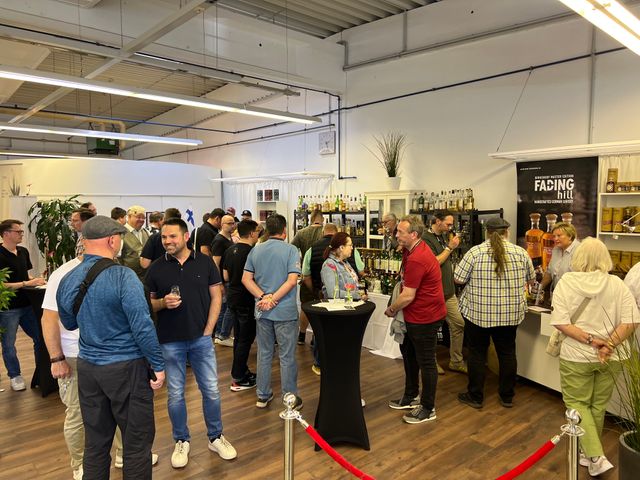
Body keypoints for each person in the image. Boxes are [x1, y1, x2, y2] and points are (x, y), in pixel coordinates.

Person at [57, 216, 165, 480]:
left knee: (95, 443)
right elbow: (142, 326)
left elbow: (69, 322)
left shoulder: (68, 277)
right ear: (112, 240)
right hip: (126, 369)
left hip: (88, 368)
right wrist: (158, 365)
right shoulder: (124, 276)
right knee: (136, 444)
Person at [146, 218, 236, 469]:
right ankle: (181, 440)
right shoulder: (156, 268)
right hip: (169, 341)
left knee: (212, 390)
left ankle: (215, 437)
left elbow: (217, 296)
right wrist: (162, 303)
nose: (167, 241)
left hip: (201, 339)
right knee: (175, 394)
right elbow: (147, 304)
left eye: (172, 236)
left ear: (185, 237)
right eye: (164, 237)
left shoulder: (204, 262)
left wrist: (209, 330)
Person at [550, 238, 638, 477]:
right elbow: (631, 320)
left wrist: (591, 341)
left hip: (576, 356)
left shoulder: (568, 281)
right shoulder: (617, 283)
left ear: (579, 258)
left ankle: (596, 457)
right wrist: (608, 345)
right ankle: (587, 453)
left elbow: (560, 322)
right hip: (613, 357)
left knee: (578, 404)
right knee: (597, 406)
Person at [454, 217, 534, 410]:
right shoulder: (521, 253)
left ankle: (475, 396)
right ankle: (507, 396)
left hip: (478, 313)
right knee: (507, 353)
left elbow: (458, 279)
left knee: (477, 354)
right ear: (507, 232)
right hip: (510, 313)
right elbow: (531, 279)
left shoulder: (475, 252)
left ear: (487, 232)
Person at [384, 215, 446, 424]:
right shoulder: (410, 250)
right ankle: (411, 396)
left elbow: (408, 295)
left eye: (400, 232)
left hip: (425, 317)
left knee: (426, 362)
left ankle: (428, 408)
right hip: (415, 315)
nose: (396, 235)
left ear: (414, 234)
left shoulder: (418, 257)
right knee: (409, 354)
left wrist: (392, 309)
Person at [242, 214, 302, 410]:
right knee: (287, 356)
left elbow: (246, 279)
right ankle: (289, 399)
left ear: (267, 230)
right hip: (284, 311)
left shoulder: (256, 250)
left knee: (265, 353)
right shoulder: (291, 250)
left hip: (262, 310)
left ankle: (263, 395)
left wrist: (263, 297)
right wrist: (273, 299)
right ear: (284, 231)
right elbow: (291, 281)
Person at [0, 219, 47, 391]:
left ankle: (41, 371)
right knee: (8, 344)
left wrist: (37, 281)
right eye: (18, 231)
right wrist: (26, 284)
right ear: (6, 234)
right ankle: (15, 375)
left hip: (28, 305)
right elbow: (1, 285)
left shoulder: (23, 251)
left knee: (40, 337)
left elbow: (25, 276)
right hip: (8, 309)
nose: (21, 234)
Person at [423, 212, 466, 374]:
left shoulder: (442, 236)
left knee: (458, 324)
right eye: (448, 224)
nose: (450, 227)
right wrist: (450, 247)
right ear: (437, 221)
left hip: (448, 292)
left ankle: (456, 361)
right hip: (434, 293)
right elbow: (434, 262)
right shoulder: (426, 239)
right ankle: (431, 362)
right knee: (433, 329)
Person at [223, 219, 260, 391]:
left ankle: (241, 371)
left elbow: (225, 276)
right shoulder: (253, 253)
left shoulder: (230, 250)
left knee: (239, 338)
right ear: (252, 233)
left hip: (233, 297)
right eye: (257, 232)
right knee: (245, 339)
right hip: (246, 299)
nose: (258, 234)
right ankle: (238, 377)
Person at [292, 210, 325, 345]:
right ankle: (315, 336)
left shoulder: (301, 233)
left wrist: (298, 264)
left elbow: (292, 249)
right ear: (322, 219)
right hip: (322, 275)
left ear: (311, 219)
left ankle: (301, 335)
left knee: (305, 307)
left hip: (306, 274)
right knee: (321, 306)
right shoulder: (325, 232)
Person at [212, 215, 237, 346]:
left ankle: (219, 333)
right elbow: (216, 263)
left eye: (233, 223)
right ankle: (223, 335)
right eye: (229, 223)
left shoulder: (229, 238)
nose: (232, 225)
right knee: (229, 308)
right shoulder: (219, 240)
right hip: (224, 279)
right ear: (222, 224)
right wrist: (219, 282)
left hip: (228, 278)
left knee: (224, 307)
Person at [320, 232, 364, 301]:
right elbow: (333, 293)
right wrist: (356, 295)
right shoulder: (329, 265)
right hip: (339, 306)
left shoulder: (345, 262)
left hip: (351, 303)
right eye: (350, 245)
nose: (352, 248)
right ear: (341, 247)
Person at [538, 222, 580, 295]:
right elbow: (549, 272)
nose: (555, 239)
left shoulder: (580, 250)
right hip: (557, 295)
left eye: (559, 235)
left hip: (572, 296)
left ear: (570, 236)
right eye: (554, 236)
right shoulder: (556, 249)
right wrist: (539, 289)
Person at [120, 205, 150, 280]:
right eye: (138, 217)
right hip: (128, 278)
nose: (141, 220)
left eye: (143, 218)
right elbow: (117, 258)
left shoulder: (146, 232)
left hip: (146, 277)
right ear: (129, 216)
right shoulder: (121, 233)